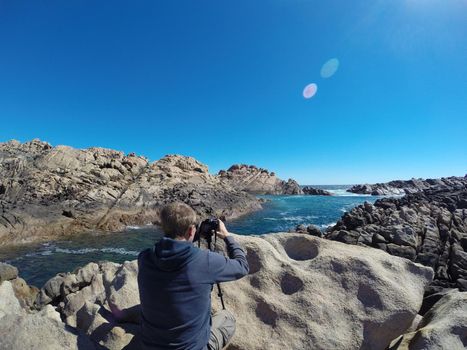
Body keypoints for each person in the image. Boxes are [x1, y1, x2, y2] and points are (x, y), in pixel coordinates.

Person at [137, 202, 249, 350]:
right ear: (191, 231)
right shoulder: (205, 261)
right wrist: (227, 236)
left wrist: (195, 236)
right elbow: (242, 266)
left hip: (150, 346)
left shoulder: (144, 258)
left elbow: (174, 245)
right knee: (227, 318)